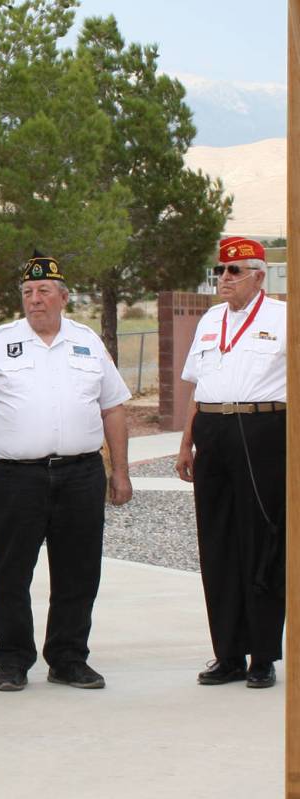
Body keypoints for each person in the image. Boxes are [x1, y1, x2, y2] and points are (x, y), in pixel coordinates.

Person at [0, 252, 132, 692]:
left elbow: (113, 408)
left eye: (43, 292)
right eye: (27, 293)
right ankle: (14, 659)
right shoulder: (1, 342)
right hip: (16, 477)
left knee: (78, 570)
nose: (34, 300)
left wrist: (121, 471)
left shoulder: (88, 342)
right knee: (9, 571)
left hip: (81, 474)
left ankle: (69, 657)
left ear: (63, 297)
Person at [176, 237, 285, 689]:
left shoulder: (282, 317)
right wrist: (186, 444)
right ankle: (228, 653)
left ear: (259, 276)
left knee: (260, 541)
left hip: (263, 432)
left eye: (235, 272)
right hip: (213, 434)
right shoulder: (210, 319)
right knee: (216, 542)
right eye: (221, 271)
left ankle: (262, 655)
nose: (224, 279)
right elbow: (198, 388)